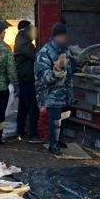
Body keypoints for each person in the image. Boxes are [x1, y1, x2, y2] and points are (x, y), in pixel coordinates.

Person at [34, 23, 76, 156]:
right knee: (55, 120)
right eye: (62, 36)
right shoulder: (44, 53)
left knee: (65, 116)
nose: (65, 38)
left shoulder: (66, 50)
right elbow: (43, 78)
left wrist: (81, 64)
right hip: (52, 94)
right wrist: (56, 71)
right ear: (56, 36)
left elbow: (72, 67)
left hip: (65, 93)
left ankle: (59, 140)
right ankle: (53, 144)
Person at [14, 20, 40, 142]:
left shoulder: (22, 41)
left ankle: (21, 131)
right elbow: (36, 55)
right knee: (32, 107)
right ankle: (32, 134)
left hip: (24, 78)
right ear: (26, 31)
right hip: (26, 79)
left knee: (23, 107)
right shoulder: (23, 43)